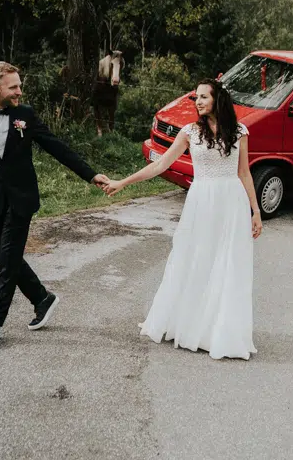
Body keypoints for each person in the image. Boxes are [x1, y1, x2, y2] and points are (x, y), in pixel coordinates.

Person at [0, 61, 112, 348]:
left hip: (22, 199)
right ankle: (42, 298)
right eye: (14, 87)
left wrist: (90, 174)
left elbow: (56, 146)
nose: (20, 91)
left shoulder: (25, 115)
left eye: (20, 85)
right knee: (5, 259)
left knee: (8, 260)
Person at [103, 78, 262, 360]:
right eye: (196, 98)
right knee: (195, 258)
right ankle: (189, 323)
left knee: (227, 263)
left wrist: (255, 210)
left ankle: (220, 330)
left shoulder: (239, 132)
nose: (198, 101)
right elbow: (160, 164)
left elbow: (244, 172)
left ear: (217, 99)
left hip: (232, 202)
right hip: (201, 201)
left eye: (203, 97)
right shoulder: (189, 132)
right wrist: (123, 182)